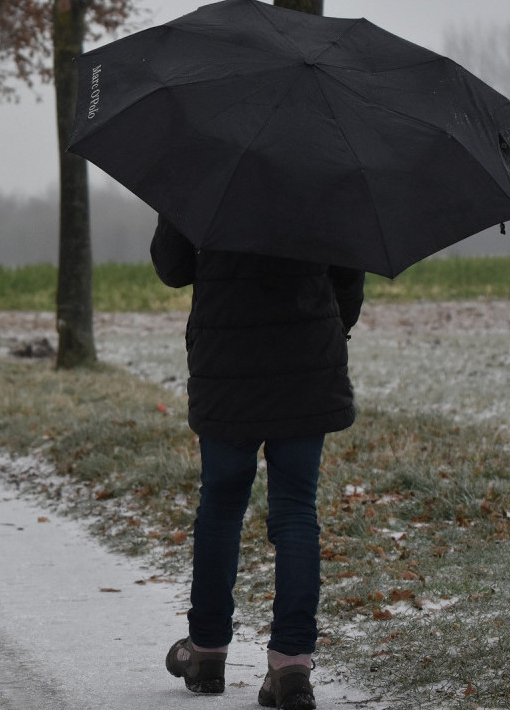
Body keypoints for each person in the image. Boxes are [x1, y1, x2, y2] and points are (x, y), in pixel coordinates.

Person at [150, 215, 364, 710]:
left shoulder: (206, 177)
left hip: (227, 366)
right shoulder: (325, 180)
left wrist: (172, 213)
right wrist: (328, 332)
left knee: (221, 506)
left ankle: (206, 652)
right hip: (305, 366)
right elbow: (348, 277)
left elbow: (173, 268)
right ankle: (291, 667)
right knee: (296, 511)